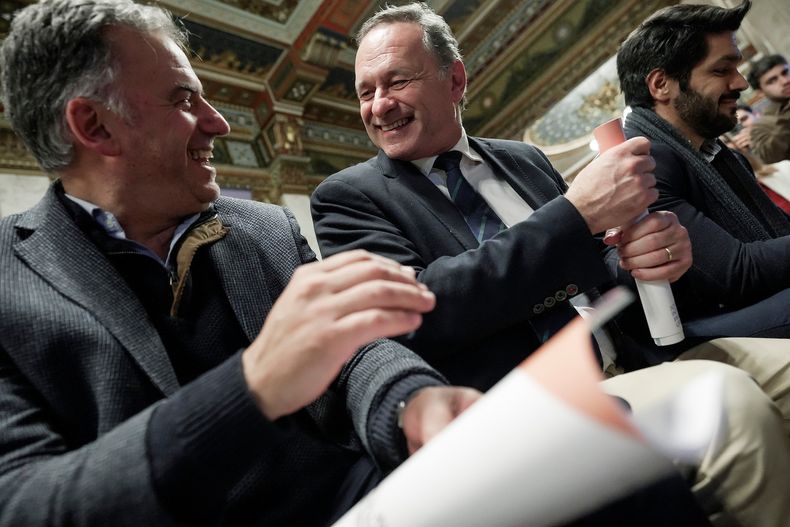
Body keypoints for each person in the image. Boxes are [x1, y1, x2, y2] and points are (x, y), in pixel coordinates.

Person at [0, 1, 483, 525]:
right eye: (184, 99)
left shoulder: (267, 227)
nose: (219, 123)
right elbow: (22, 503)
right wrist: (251, 387)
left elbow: (353, 350)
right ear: (94, 125)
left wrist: (409, 401)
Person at [310, 3, 790, 524]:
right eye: (365, 92)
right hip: (539, 405)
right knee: (733, 409)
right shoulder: (348, 197)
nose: (380, 105)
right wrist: (575, 215)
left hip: (637, 356)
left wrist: (641, 260)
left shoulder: (524, 159)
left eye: (397, 81)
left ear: (455, 80)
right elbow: (418, 310)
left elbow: (590, 267)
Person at [617, 0, 790, 339]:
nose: (741, 83)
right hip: (701, 334)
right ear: (661, 84)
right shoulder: (642, 167)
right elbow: (735, 273)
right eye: (721, 71)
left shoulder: (719, 152)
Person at [747, 54, 790, 163]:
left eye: (785, 72)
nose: (785, 81)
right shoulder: (761, 126)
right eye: (772, 81)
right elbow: (770, 156)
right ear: (761, 92)